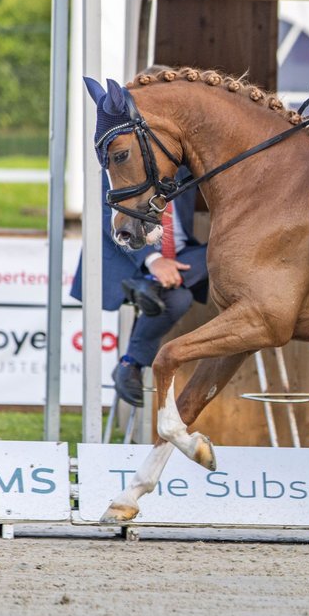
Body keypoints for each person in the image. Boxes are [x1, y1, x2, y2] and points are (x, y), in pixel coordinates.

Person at [71, 84, 209, 408]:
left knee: (223, 255)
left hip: (184, 254)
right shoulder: (118, 150)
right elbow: (107, 212)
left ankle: (144, 296)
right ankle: (131, 362)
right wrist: (153, 261)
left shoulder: (174, 151)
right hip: (130, 254)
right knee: (178, 299)